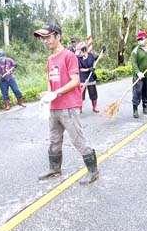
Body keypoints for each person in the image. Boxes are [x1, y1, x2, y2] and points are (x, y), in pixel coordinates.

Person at [33, 23, 99, 185]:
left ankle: (93, 171)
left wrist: (57, 93)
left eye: (48, 37)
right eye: (43, 38)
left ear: (58, 36)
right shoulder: (50, 59)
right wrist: (48, 95)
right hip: (54, 107)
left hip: (68, 107)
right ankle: (54, 168)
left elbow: (76, 81)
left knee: (78, 140)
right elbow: (50, 80)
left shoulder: (69, 56)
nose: (45, 41)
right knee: (54, 140)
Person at [76, 42, 100, 113]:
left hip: (91, 78)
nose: (79, 53)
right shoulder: (78, 58)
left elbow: (97, 58)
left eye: (80, 51)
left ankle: (94, 107)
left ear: (84, 50)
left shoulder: (91, 55)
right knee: (81, 94)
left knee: (93, 94)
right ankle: (79, 109)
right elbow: (80, 69)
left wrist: (102, 52)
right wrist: (88, 69)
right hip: (82, 78)